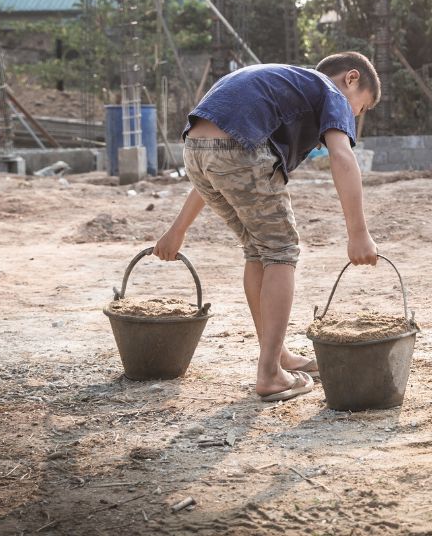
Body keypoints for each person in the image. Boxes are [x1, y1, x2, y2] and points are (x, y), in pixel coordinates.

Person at [153, 53, 381, 402]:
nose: (352, 118)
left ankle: (276, 357)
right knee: (280, 251)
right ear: (351, 78)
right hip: (238, 149)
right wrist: (358, 233)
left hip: (194, 150)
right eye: (359, 109)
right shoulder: (331, 92)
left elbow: (217, 149)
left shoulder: (288, 85)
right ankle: (271, 374)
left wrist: (178, 229)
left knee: (258, 250)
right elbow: (342, 156)